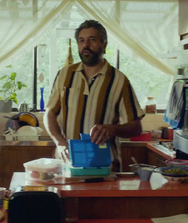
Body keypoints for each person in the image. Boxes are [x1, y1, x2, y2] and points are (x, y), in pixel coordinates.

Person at [44, 20, 145, 172]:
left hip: (105, 168)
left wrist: (112, 129)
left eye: (92, 40)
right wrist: (59, 142)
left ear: (104, 45)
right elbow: (50, 113)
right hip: (68, 165)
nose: (86, 45)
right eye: (81, 40)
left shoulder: (119, 80)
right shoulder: (64, 75)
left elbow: (136, 128)